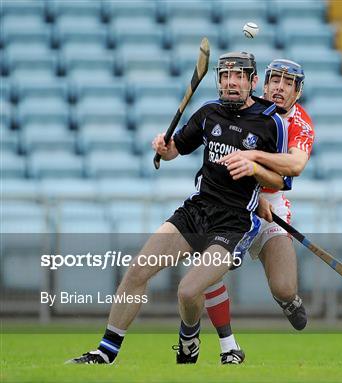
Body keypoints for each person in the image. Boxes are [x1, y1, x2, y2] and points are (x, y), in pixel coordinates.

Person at [66, 51, 289, 365]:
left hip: (235, 221)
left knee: (187, 291)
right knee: (137, 271)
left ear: (253, 81)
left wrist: (253, 168)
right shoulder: (208, 112)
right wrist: (163, 147)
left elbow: (280, 181)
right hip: (197, 210)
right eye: (225, 76)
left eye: (238, 76)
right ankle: (106, 351)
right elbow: (176, 150)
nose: (231, 82)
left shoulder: (272, 123)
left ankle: (188, 337)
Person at [199, 59, 315, 364]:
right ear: (263, 85)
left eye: (288, 83)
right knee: (209, 270)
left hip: (272, 205)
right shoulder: (249, 108)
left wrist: (252, 156)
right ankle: (227, 345)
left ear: (297, 92)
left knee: (284, 287)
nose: (279, 87)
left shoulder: (299, 122)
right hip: (235, 203)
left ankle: (288, 302)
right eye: (274, 80)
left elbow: (296, 165)